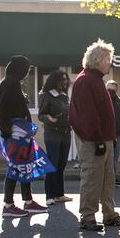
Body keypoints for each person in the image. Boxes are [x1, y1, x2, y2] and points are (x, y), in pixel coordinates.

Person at [69, 40, 120, 231]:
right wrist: (97, 139)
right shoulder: (86, 80)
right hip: (93, 140)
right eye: (107, 59)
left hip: (104, 138)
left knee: (107, 177)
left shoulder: (95, 79)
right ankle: (87, 217)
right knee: (92, 177)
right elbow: (88, 115)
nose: (110, 63)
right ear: (97, 60)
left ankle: (109, 214)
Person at [0, 55, 48, 218]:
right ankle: (8, 204)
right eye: (26, 69)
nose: (27, 72)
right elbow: (3, 109)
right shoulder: (10, 83)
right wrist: (7, 133)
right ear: (19, 69)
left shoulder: (11, 82)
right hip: (15, 134)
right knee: (16, 167)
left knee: (25, 167)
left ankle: (28, 201)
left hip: (20, 133)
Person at [38, 70, 72, 206]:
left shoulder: (64, 96)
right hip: (53, 133)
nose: (64, 82)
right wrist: (49, 118)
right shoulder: (47, 95)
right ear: (54, 81)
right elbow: (41, 114)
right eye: (62, 80)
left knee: (62, 164)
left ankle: (59, 194)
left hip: (65, 132)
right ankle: (50, 195)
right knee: (53, 163)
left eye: (66, 79)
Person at [106, 80, 120, 187]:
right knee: (107, 158)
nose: (111, 92)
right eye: (109, 89)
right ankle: (107, 180)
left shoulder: (119, 101)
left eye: (113, 90)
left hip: (118, 134)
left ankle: (113, 178)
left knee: (115, 158)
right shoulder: (103, 100)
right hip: (107, 135)